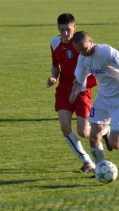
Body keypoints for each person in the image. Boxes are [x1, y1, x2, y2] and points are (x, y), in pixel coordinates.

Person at [46, 13, 107, 173]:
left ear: (75, 28)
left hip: (82, 89)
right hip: (64, 89)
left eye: (68, 30)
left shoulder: (81, 45)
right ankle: (88, 162)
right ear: (58, 29)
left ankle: (105, 131)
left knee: (84, 132)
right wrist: (53, 77)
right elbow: (55, 64)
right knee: (65, 126)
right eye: (62, 30)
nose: (65, 34)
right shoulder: (54, 42)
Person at [69, 31, 119, 169]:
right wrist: (73, 94)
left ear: (91, 41)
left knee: (115, 144)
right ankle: (100, 169)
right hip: (103, 99)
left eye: (84, 48)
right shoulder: (82, 58)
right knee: (93, 137)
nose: (82, 52)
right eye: (78, 50)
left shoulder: (107, 52)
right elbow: (79, 80)